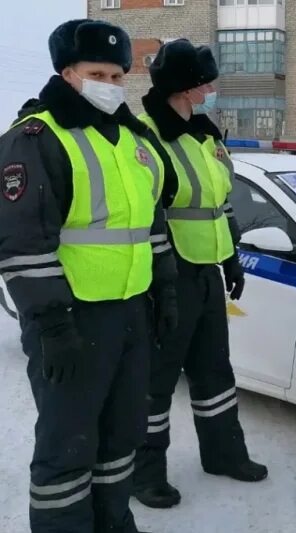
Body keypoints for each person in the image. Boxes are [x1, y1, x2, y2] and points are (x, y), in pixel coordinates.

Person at [0, 19, 179, 533]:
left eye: (119, 75)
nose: (111, 83)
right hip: (72, 320)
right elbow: (21, 243)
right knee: (67, 442)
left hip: (130, 313)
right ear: (68, 74)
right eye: (97, 72)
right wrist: (52, 325)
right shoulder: (37, 137)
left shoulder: (131, 139)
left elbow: (152, 223)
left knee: (121, 435)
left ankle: (113, 522)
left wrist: (165, 291)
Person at [133, 39, 268, 509]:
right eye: (205, 81)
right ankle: (144, 473)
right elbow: (147, 213)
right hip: (166, 276)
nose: (212, 88)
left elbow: (219, 202)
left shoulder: (206, 134)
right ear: (185, 87)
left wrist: (230, 255)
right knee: (157, 380)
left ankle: (224, 455)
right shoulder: (146, 135)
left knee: (214, 369)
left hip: (206, 270)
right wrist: (162, 280)